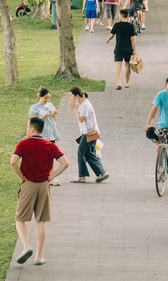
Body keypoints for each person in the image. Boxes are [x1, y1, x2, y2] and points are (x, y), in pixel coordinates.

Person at [10, 116, 70, 265]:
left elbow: (13, 162)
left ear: (32, 129)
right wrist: (50, 177)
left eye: (27, 127)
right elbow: (65, 163)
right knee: (40, 220)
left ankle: (25, 247)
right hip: (44, 185)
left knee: (20, 218)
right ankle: (39, 256)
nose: (26, 129)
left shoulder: (23, 144)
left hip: (28, 184)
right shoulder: (50, 145)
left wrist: (22, 177)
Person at [69, 86, 110, 184]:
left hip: (89, 133)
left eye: (71, 96)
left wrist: (74, 108)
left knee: (81, 152)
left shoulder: (84, 106)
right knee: (89, 154)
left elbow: (81, 119)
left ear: (76, 96)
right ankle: (102, 172)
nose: (71, 98)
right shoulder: (84, 103)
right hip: (92, 132)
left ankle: (82, 177)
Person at [28, 87, 61, 184]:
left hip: (51, 133)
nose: (47, 100)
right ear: (39, 97)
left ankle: (52, 177)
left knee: (51, 155)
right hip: (41, 134)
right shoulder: (34, 108)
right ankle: (38, 175)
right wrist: (45, 115)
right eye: (45, 98)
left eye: (48, 98)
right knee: (39, 156)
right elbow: (33, 122)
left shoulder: (50, 105)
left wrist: (54, 113)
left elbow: (55, 119)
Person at [106, 7, 137, 89]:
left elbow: (111, 35)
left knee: (118, 66)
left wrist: (107, 40)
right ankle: (127, 83)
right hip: (128, 48)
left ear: (121, 16)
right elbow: (133, 39)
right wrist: (134, 51)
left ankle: (119, 83)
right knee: (127, 65)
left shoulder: (117, 25)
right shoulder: (131, 26)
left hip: (119, 48)